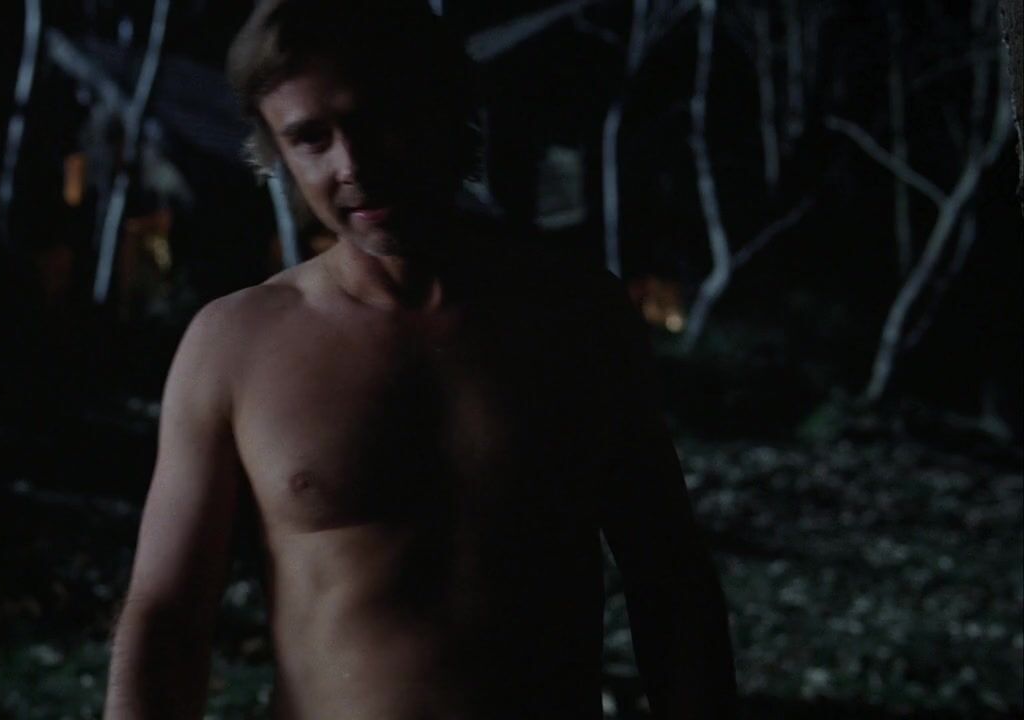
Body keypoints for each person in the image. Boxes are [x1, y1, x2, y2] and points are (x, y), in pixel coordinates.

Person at [104, 1, 736, 718]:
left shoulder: (576, 318)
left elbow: (671, 585)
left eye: (377, 119)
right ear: (276, 153)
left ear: (441, 108)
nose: (353, 165)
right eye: (310, 138)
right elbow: (166, 617)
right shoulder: (233, 344)